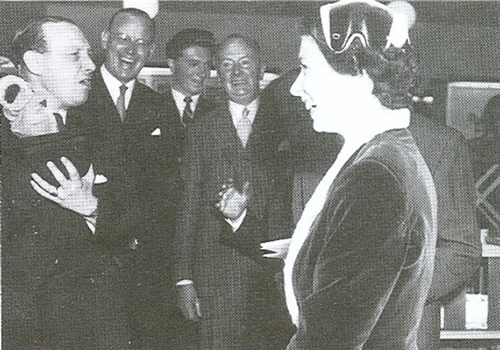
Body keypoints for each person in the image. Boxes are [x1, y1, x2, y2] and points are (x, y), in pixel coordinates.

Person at [280, 1, 438, 348]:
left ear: (361, 77)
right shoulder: (392, 154)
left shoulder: (374, 176)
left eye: (306, 68)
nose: (295, 88)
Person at [2, 16, 135, 349]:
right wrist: (39, 144)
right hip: (29, 331)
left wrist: (90, 207)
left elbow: (132, 223)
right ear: (34, 62)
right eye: (74, 55)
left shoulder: (103, 129)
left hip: (101, 327)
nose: (91, 65)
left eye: (89, 54)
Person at [70, 8, 180, 349]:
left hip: (144, 270)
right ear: (105, 40)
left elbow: (167, 188)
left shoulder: (160, 107)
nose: (131, 50)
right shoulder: (75, 99)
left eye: (142, 43)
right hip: (87, 264)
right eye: (123, 38)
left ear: (151, 51)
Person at [174, 34, 292, 350]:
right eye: (226, 65)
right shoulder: (201, 129)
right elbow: (188, 206)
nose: (236, 73)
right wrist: (184, 279)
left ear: (261, 69)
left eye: (244, 63)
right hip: (216, 277)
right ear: (218, 73)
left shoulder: (285, 125)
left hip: (270, 278)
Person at [164, 28, 217, 155]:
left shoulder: (218, 113)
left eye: (207, 65)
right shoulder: (148, 108)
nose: (203, 73)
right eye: (194, 64)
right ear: (172, 64)